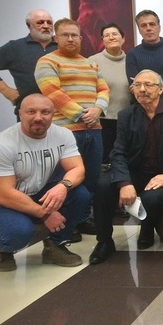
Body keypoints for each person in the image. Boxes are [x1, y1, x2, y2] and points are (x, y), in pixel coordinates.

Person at [89, 70, 163, 264]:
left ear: (161, 89)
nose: (142, 89)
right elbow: (118, 152)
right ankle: (104, 241)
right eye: (137, 85)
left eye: (148, 85)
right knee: (103, 186)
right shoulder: (126, 115)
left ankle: (147, 228)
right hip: (136, 170)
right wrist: (124, 182)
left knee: (151, 199)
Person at [0, 94, 91, 271]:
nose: (38, 117)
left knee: (80, 195)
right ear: (20, 114)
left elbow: (77, 169)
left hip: (37, 193)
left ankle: (55, 246)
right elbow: (5, 195)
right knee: (20, 231)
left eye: (45, 112)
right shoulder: (0, 144)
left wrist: (63, 186)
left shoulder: (63, 135)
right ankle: (3, 249)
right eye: (31, 112)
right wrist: (45, 214)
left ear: (53, 114)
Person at [35, 19, 109, 196]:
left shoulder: (90, 63)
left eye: (74, 35)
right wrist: (81, 114)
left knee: (92, 177)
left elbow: (104, 89)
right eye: (65, 35)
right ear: (56, 38)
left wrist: (97, 110)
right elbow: (52, 92)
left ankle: (87, 211)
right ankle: (64, 211)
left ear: (80, 38)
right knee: (64, 178)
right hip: (65, 131)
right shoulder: (47, 61)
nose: (70, 39)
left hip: (94, 130)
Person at [0, 9, 58, 118]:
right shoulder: (16, 47)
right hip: (30, 114)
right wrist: (6, 91)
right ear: (28, 25)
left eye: (49, 22)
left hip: (62, 112)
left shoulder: (62, 46)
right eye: (40, 22)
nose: (46, 26)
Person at [88, 23, 132, 163]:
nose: (111, 37)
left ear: (123, 38)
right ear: (103, 40)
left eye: (114, 34)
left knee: (125, 158)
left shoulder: (132, 60)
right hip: (103, 119)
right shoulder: (93, 61)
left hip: (127, 119)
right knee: (105, 160)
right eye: (106, 35)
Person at [126, 9, 163, 102]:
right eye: (143, 25)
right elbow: (134, 84)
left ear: (159, 27)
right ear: (139, 30)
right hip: (142, 106)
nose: (148, 28)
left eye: (152, 24)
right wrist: (161, 82)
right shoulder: (132, 54)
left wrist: (147, 83)